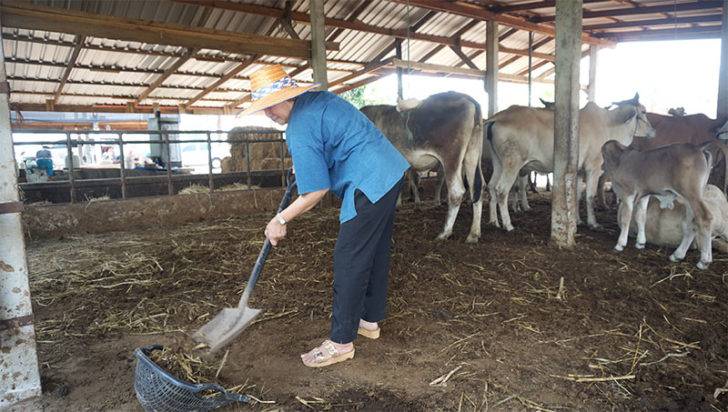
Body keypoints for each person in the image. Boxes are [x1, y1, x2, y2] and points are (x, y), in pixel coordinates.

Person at [240, 65, 410, 368]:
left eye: (271, 106)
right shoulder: (317, 101)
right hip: (390, 170)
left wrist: (280, 220)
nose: (268, 114)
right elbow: (331, 144)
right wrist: (307, 162)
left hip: (368, 180)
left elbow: (315, 191)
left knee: (349, 258)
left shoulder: (299, 128)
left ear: (288, 96)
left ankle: (341, 343)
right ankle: (368, 322)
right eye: (263, 108)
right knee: (375, 250)